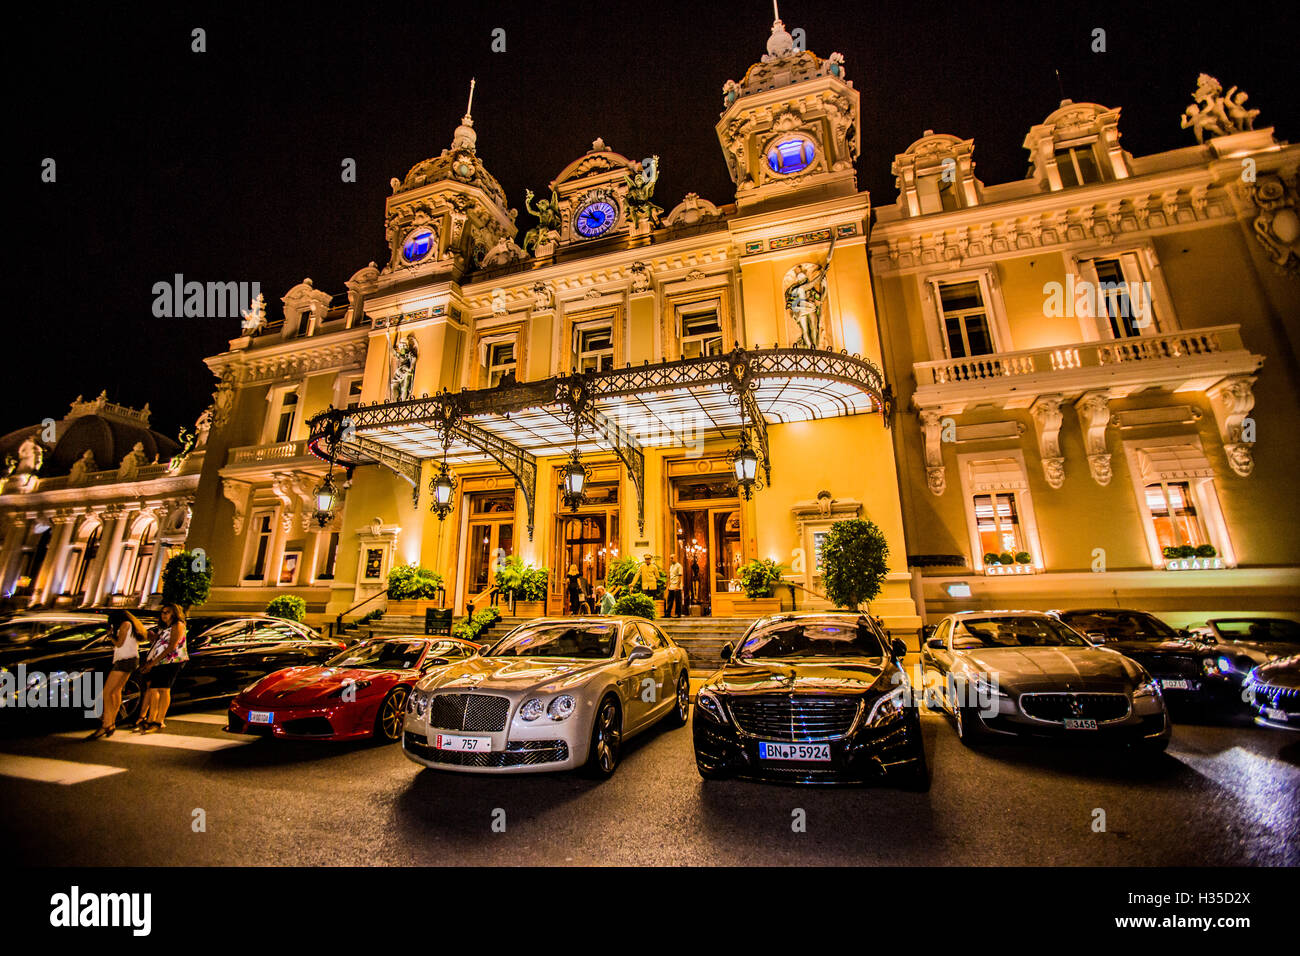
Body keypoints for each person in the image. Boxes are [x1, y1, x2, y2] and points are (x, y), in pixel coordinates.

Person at [87, 609, 147, 739]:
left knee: (107, 692)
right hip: (129, 660)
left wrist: (110, 636)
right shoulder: (130, 624)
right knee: (115, 691)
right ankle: (111, 723)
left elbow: (119, 644)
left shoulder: (125, 624)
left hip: (124, 660)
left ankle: (107, 724)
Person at [136, 603, 188, 734]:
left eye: (167, 612)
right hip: (160, 661)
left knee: (164, 690)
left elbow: (171, 647)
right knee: (154, 690)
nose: (164, 614)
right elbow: (160, 643)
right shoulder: (165, 627)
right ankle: (151, 719)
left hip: (171, 661)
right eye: (163, 612)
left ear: (174, 613)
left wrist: (153, 663)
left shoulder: (178, 625)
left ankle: (159, 720)